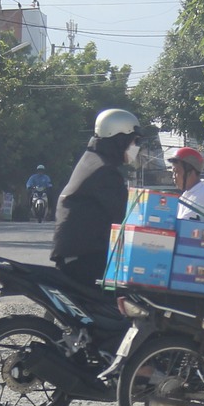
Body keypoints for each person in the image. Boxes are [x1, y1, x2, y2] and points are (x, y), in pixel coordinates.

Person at [51, 107, 140, 285]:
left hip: (79, 251)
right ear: (120, 138)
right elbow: (126, 213)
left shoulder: (94, 160)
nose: (136, 147)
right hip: (85, 256)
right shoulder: (105, 171)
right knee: (124, 296)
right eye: (134, 141)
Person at [168, 146, 204, 217]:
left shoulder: (201, 196)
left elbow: (184, 226)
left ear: (190, 173)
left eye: (176, 171)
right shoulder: (188, 194)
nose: (173, 176)